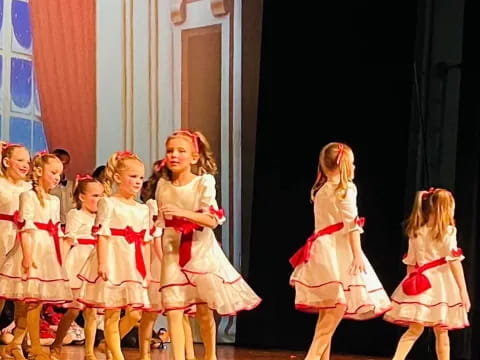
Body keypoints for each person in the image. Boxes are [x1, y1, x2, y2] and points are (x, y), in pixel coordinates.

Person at [154, 130, 261, 360]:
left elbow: (211, 220)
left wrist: (183, 213)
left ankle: (210, 355)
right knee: (173, 308)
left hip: (200, 252)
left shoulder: (203, 182)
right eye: (170, 151)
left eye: (181, 151)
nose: (174, 155)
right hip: (173, 252)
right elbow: (161, 223)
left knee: (203, 311)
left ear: (194, 157)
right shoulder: (163, 185)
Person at [289, 142, 391, 360]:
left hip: (322, 251)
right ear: (344, 165)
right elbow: (352, 224)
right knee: (331, 316)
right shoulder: (345, 190)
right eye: (352, 163)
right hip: (336, 251)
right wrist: (357, 255)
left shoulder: (321, 190)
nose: (354, 168)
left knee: (328, 315)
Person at [77, 151, 151, 360]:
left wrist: (146, 269)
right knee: (112, 312)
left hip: (132, 263)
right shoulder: (108, 203)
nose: (137, 181)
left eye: (140, 177)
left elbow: (144, 241)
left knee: (135, 313)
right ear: (118, 178)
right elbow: (102, 234)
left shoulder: (142, 209)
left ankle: (107, 343)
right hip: (113, 259)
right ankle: (118, 356)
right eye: (132, 176)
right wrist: (103, 263)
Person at [0, 152, 73, 360]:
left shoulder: (54, 200)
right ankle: (32, 347)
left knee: (35, 301)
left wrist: (60, 257)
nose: (58, 177)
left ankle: (17, 343)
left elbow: (56, 230)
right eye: (53, 172)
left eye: (59, 173)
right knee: (27, 300)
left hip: (47, 252)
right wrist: (27, 257)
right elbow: (25, 228)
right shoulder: (27, 196)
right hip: (29, 249)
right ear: (39, 171)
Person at [384, 188, 470, 360]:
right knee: (442, 333)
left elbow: (411, 263)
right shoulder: (448, 231)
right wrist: (463, 292)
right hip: (441, 287)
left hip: (421, 285)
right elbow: (454, 263)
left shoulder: (416, 231)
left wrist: (411, 286)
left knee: (414, 330)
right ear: (444, 209)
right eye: (451, 206)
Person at [49, 174, 104, 360]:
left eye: (101, 196)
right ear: (82, 197)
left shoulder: (103, 217)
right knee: (73, 309)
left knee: (92, 312)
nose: (99, 200)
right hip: (79, 263)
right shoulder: (76, 214)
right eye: (95, 196)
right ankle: (57, 343)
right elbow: (68, 241)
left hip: (94, 263)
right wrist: (60, 267)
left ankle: (89, 351)